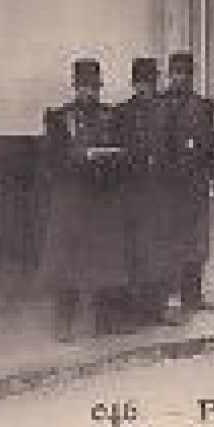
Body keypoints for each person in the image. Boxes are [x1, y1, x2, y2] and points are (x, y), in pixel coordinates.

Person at [39, 58, 135, 341]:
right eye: (83, 87)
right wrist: (81, 157)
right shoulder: (58, 118)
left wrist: (111, 158)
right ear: (75, 87)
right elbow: (50, 159)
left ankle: (106, 321)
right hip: (70, 198)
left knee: (106, 259)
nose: (89, 93)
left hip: (103, 198)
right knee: (67, 261)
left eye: (93, 87)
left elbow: (125, 153)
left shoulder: (113, 116)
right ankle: (64, 322)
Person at [123, 56, 180, 326]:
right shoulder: (122, 113)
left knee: (161, 249)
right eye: (139, 83)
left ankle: (161, 307)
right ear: (133, 84)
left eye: (148, 83)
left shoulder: (168, 111)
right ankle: (136, 310)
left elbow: (177, 149)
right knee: (136, 250)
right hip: (133, 192)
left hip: (162, 191)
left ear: (156, 83)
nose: (143, 88)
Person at [166, 52, 214, 314]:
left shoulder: (203, 107)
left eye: (185, 74)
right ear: (169, 74)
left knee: (196, 242)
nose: (180, 79)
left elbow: (212, 147)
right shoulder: (159, 104)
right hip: (168, 187)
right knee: (170, 241)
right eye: (175, 73)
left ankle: (193, 296)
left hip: (196, 184)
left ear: (191, 77)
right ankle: (171, 298)